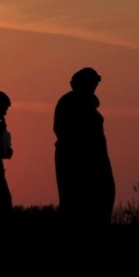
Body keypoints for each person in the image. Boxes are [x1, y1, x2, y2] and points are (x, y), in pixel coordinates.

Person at [54, 67, 115, 226]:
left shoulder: (86, 103)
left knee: (102, 198)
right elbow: (62, 131)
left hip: (95, 160)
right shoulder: (70, 102)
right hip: (79, 161)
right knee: (75, 203)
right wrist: (81, 159)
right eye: (93, 83)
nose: (95, 86)